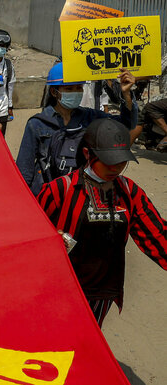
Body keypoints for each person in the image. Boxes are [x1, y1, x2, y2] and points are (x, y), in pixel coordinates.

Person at [36, 118, 167, 327]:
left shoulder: (129, 191)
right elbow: (30, 236)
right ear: (88, 154)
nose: (116, 167)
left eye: (122, 161)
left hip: (102, 293)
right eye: (109, 161)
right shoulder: (60, 190)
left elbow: (157, 235)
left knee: (86, 349)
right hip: (60, 291)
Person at [16, 62, 137, 195]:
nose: (75, 92)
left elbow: (126, 125)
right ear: (54, 92)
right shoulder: (37, 124)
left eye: (79, 88)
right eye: (69, 89)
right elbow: (24, 170)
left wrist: (126, 95)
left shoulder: (90, 116)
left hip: (81, 193)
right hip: (48, 193)